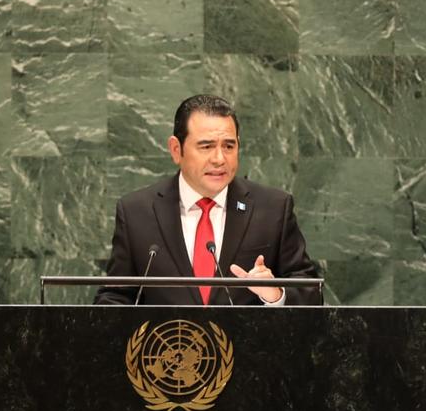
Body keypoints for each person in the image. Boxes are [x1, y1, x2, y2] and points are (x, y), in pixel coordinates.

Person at [95, 95, 320, 306]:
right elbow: (115, 297)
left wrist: (276, 294)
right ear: (176, 150)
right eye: (206, 146)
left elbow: (310, 293)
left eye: (229, 146)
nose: (219, 159)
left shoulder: (273, 208)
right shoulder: (137, 212)